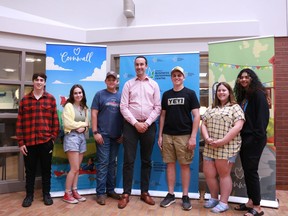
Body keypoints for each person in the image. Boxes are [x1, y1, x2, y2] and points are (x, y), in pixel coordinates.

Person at [118, 56, 161, 209]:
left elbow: (157, 107)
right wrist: (136, 123)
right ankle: (126, 194)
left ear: (146, 66)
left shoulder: (154, 85)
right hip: (131, 125)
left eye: (142, 64)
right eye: (137, 64)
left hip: (149, 126)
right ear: (135, 67)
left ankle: (144, 192)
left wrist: (147, 123)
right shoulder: (128, 84)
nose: (139, 67)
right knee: (128, 160)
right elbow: (123, 107)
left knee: (146, 160)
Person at [158, 66, 200, 211]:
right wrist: (160, 136)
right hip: (168, 135)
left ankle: (186, 196)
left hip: (184, 136)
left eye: (179, 75)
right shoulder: (166, 95)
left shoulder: (190, 94)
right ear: (171, 77)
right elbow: (162, 116)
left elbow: (197, 116)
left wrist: (193, 137)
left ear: (184, 77)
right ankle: (170, 194)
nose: (177, 77)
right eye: (174, 75)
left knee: (184, 166)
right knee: (170, 164)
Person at [16, 73, 59, 207]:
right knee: (30, 171)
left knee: (46, 170)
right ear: (33, 82)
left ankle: (46, 194)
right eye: (37, 80)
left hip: (46, 142)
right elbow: (19, 122)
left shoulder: (51, 99)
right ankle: (29, 196)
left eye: (42, 80)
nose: (39, 82)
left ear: (45, 83)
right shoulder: (25, 100)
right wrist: (21, 142)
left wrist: (52, 139)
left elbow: (55, 121)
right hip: (29, 143)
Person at [201, 82, 245, 213]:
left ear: (229, 92)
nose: (221, 92)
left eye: (224, 90)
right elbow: (203, 124)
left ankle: (224, 202)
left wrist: (222, 141)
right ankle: (214, 199)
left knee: (224, 175)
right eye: (219, 90)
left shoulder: (235, 107)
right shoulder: (211, 108)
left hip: (227, 147)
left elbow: (238, 126)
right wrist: (207, 138)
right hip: (210, 146)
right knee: (209, 174)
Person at [233, 69, 269, 216]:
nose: (243, 79)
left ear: (252, 78)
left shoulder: (258, 94)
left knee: (251, 172)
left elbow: (262, 119)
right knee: (248, 171)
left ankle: (258, 207)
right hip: (246, 138)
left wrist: (255, 138)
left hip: (254, 139)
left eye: (247, 77)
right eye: (241, 77)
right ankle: (250, 201)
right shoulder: (245, 96)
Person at [91, 71, 123, 205]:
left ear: (117, 82)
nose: (111, 81)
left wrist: (123, 133)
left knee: (112, 164)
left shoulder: (121, 96)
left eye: (113, 79)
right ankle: (100, 193)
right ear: (105, 81)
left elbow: (125, 115)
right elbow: (93, 114)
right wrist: (95, 132)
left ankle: (110, 190)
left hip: (116, 136)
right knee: (103, 164)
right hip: (102, 136)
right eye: (109, 79)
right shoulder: (99, 94)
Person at [62, 84, 89, 204]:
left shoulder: (84, 107)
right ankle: (67, 193)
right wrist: (82, 125)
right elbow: (68, 124)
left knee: (78, 169)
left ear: (83, 94)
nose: (78, 95)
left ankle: (74, 190)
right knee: (74, 168)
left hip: (82, 138)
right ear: (72, 95)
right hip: (72, 137)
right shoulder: (68, 106)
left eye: (80, 92)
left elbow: (87, 124)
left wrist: (85, 128)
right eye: (76, 93)